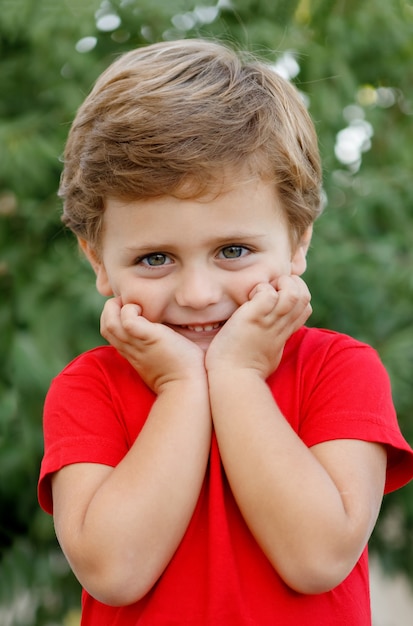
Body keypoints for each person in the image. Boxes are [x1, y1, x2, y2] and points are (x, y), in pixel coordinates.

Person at [38, 38, 413, 625]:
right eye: (155, 258)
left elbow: (317, 558)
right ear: (98, 261)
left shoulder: (339, 370)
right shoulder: (90, 388)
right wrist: (182, 387)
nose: (197, 295)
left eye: (233, 250)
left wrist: (237, 375)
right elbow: (115, 572)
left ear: (298, 241)